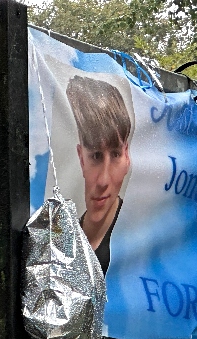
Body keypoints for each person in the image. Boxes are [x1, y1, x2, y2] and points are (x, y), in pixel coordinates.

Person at [66, 75, 132, 275]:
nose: (104, 181)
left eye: (115, 154)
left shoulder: (138, 235)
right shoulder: (65, 241)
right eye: (95, 156)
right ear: (81, 157)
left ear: (127, 156)